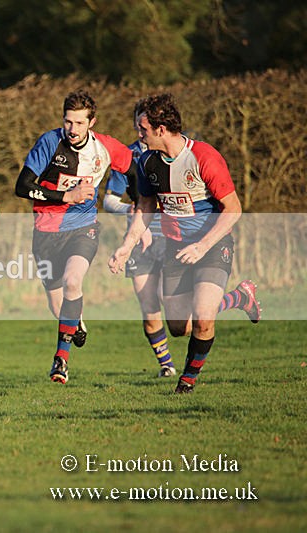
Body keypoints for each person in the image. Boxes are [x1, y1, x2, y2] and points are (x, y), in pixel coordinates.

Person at [108, 93, 261, 394]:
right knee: (179, 327)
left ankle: (187, 380)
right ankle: (241, 298)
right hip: (176, 249)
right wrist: (126, 247)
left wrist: (202, 246)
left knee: (204, 318)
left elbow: (234, 209)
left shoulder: (203, 157)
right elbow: (146, 207)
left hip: (212, 245)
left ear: (160, 130)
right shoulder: (148, 162)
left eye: (143, 129)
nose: (138, 135)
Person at [15, 90, 139, 385]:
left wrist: (137, 202)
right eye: (68, 122)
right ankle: (76, 320)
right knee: (57, 304)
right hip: (45, 231)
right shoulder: (49, 142)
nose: (72, 129)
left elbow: (134, 171)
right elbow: (22, 186)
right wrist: (64, 195)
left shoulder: (105, 147)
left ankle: (61, 361)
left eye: (79, 123)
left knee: (73, 281)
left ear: (91, 122)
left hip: (83, 227)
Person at [103, 99, 176, 378]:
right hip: (138, 241)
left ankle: (235, 298)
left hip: (171, 238)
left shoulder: (176, 154)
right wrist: (129, 209)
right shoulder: (127, 156)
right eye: (136, 125)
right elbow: (109, 201)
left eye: (142, 126)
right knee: (149, 309)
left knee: (175, 308)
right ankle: (167, 366)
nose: (138, 131)